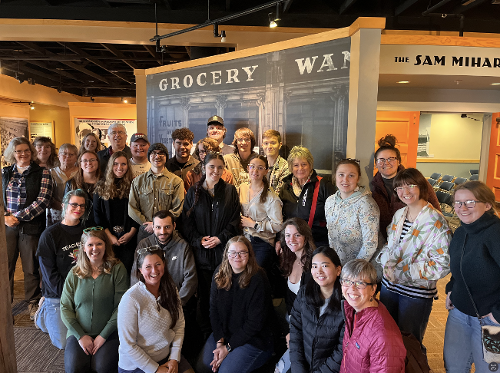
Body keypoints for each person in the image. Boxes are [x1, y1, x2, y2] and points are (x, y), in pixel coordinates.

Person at [378, 168, 451, 347]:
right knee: (386, 338)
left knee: (410, 344)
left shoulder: (436, 221)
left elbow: (442, 264)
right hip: (389, 286)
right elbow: (390, 245)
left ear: (421, 187)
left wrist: (402, 273)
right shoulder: (399, 214)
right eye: (400, 188)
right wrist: (386, 263)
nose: (405, 192)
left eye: (410, 185)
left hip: (415, 293)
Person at [443, 181, 500, 372]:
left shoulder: (496, 233)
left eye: (470, 202)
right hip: (459, 314)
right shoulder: (461, 232)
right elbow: (458, 268)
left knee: (491, 369)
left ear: (487, 204)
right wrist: (451, 289)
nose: (462, 208)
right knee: (454, 367)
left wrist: (498, 314)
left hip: (491, 321)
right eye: (458, 203)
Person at [182, 152, 241, 334]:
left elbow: (234, 220)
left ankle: (225, 331)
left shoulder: (230, 191)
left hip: (223, 252)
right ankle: (207, 333)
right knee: (205, 295)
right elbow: (186, 222)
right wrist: (198, 240)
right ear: (203, 168)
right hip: (201, 254)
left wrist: (220, 238)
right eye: (211, 167)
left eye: (220, 167)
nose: (216, 171)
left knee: (225, 293)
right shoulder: (193, 192)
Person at [196, 236, 274, 373]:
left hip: (254, 339)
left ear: (249, 254)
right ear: (226, 254)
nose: (237, 256)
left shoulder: (258, 277)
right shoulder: (219, 273)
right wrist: (220, 342)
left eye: (242, 252)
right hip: (225, 334)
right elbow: (213, 311)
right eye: (232, 252)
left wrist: (227, 348)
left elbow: (254, 323)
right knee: (203, 367)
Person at [60, 228, 128, 373]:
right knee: (74, 368)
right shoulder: (74, 273)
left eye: (99, 244)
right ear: (83, 248)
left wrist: (103, 335)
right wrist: (80, 336)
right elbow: (65, 307)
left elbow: (121, 307)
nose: (95, 249)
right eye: (90, 245)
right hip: (78, 332)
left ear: (106, 246)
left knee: (103, 368)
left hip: (108, 332)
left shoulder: (117, 269)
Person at [118, 246, 194, 373]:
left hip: (166, 357)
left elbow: (179, 326)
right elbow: (128, 345)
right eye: (148, 267)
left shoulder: (171, 290)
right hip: (136, 365)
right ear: (140, 270)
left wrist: (174, 358)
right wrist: (156, 369)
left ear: (164, 265)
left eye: (158, 264)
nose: (154, 270)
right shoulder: (130, 299)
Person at [3, 137, 54, 318]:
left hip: (31, 226)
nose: (23, 154)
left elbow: (43, 200)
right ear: (12, 153)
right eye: (18, 151)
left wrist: (16, 217)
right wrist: (5, 217)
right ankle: (4, 304)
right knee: (6, 266)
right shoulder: (5, 173)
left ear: (31, 152)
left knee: (30, 268)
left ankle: (32, 303)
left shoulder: (42, 172)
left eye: (26, 150)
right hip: (7, 227)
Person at [35, 189, 87, 349]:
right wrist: (69, 296)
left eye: (82, 206)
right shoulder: (49, 235)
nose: (78, 208)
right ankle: (43, 313)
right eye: (74, 204)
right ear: (64, 205)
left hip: (84, 290)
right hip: (58, 293)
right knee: (65, 343)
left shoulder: (88, 231)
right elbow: (50, 276)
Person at [340, 259, 406, 372]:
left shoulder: (383, 335)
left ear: (373, 289)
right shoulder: (353, 311)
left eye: (360, 283)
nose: (352, 288)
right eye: (347, 281)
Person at [370, 134, 440, 241]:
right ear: (376, 164)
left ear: (398, 161)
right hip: (388, 240)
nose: (386, 163)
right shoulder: (373, 187)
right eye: (381, 160)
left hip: (418, 238)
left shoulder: (415, 180)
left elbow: (435, 208)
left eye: (391, 159)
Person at [288, 246, 344, 373]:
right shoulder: (304, 293)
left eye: (324, 266)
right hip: (302, 366)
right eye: (314, 266)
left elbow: (341, 350)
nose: (318, 271)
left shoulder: (346, 304)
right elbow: (295, 331)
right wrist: (298, 368)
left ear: (338, 270)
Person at [132, 210, 197, 306]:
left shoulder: (183, 246)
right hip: (148, 303)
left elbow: (191, 278)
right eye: (158, 227)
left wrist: (177, 303)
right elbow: (135, 275)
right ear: (153, 227)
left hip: (176, 302)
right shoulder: (143, 245)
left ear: (174, 226)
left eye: (167, 227)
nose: (163, 232)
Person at [325, 158, 379, 265]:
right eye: (341, 175)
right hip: (338, 264)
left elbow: (370, 244)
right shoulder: (330, 201)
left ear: (358, 178)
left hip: (360, 267)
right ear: (335, 176)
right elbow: (331, 236)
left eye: (351, 175)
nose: (345, 180)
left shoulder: (366, 203)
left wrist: (352, 270)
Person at [279, 146, 334, 248]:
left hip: (318, 242)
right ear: (291, 167)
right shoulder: (285, 187)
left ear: (310, 165)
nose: (300, 168)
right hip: (292, 243)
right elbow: (282, 218)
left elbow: (334, 217)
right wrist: (280, 240)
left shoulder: (323, 185)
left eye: (304, 164)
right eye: (296, 165)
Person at [129, 142, 185, 243]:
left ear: (166, 157)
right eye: (153, 153)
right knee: (143, 258)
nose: (157, 156)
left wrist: (159, 225)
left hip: (167, 231)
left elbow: (177, 208)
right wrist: (148, 224)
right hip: (146, 230)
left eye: (161, 153)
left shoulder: (176, 181)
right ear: (149, 156)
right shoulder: (138, 181)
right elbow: (132, 207)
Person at [94, 151, 139, 274]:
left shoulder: (134, 185)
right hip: (107, 238)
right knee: (109, 271)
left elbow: (139, 210)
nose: (120, 167)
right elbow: (98, 215)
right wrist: (110, 236)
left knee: (128, 270)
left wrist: (132, 232)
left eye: (123, 164)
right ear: (110, 165)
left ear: (128, 166)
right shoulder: (101, 186)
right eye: (116, 164)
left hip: (130, 237)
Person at [239, 154, 283, 274]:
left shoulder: (271, 197)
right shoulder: (242, 188)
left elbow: (278, 225)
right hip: (243, 239)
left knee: (255, 275)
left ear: (266, 171)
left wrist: (255, 224)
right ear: (248, 168)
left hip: (262, 242)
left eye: (260, 168)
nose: (255, 170)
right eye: (252, 166)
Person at [65, 150, 101, 227]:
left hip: (100, 227)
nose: (89, 163)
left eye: (92, 160)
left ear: (98, 162)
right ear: (80, 164)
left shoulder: (105, 183)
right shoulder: (71, 184)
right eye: (85, 160)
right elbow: (66, 209)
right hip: (78, 226)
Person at [47, 143, 79, 226]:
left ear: (76, 157)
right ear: (59, 155)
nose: (67, 156)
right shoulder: (51, 173)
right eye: (64, 154)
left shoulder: (80, 172)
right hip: (56, 211)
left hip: (77, 211)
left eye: (71, 154)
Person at [262, 129, 290, 195]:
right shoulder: (258, 164)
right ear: (262, 145)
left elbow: (279, 194)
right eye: (266, 143)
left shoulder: (286, 168)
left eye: (273, 143)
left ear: (280, 145)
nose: (269, 146)